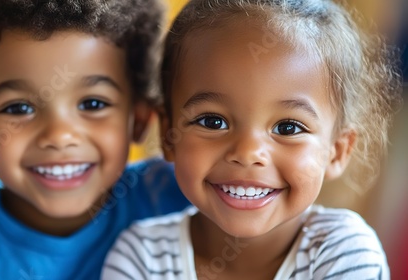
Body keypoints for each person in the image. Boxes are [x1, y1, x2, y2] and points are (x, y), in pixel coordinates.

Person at [102, 0, 402, 279]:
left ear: (337, 151)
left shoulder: (343, 252)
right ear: (169, 137)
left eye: (287, 128)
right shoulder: (140, 256)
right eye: (213, 122)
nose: (248, 153)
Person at [0, 0, 190, 279]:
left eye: (93, 104)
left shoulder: (176, 196)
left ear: (139, 119)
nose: (58, 136)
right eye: (18, 108)